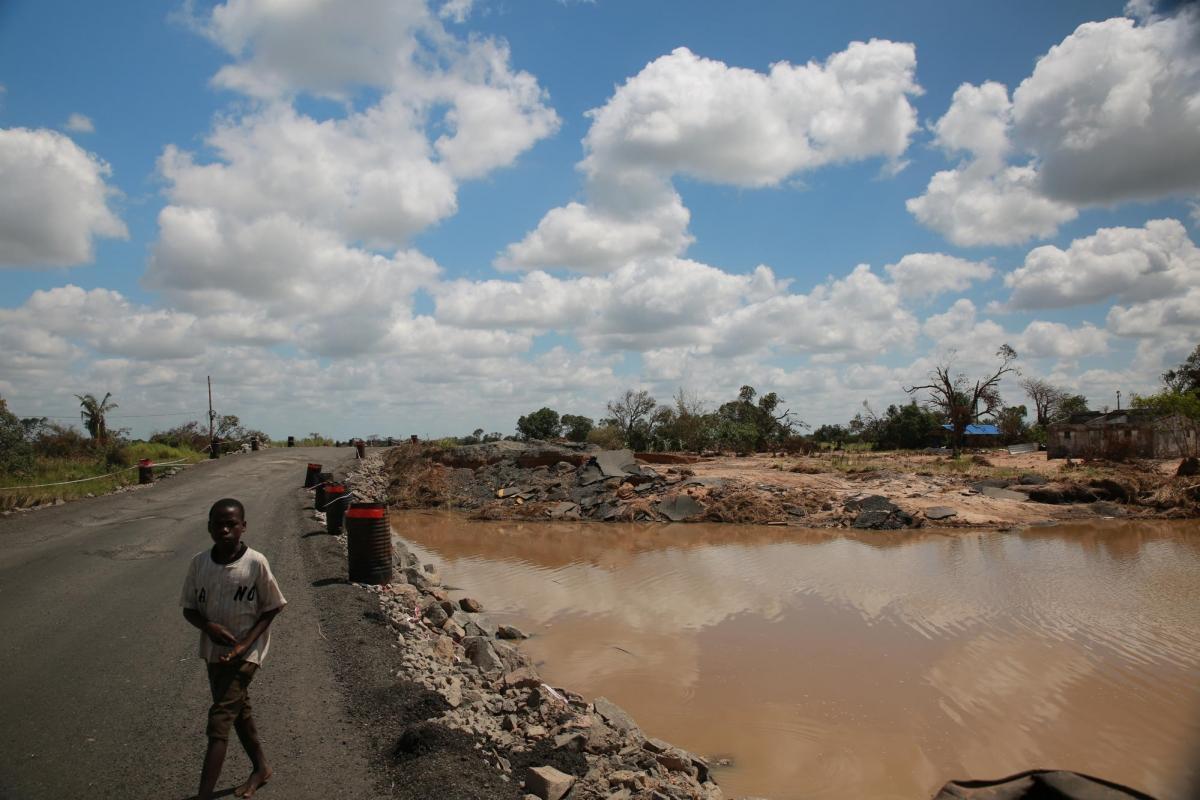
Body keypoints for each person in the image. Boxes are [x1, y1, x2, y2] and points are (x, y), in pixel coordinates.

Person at [181, 498, 286, 799]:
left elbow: (272, 607)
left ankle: (203, 795)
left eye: (232, 524)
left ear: (243, 527)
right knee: (238, 712)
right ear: (209, 527)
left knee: (220, 719)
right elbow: (189, 608)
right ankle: (261, 768)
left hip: (247, 653)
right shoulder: (199, 564)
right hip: (215, 653)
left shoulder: (255, 562)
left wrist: (243, 645)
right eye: (218, 524)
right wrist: (209, 627)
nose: (225, 530)